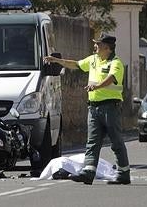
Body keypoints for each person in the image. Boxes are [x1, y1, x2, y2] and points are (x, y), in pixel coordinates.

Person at [43, 33, 130, 185]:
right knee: (92, 142)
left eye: (98, 44)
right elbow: (76, 64)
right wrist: (58, 61)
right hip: (94, 107)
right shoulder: (93, 60)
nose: (95, 46)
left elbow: (111, 79)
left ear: (107, 48)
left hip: (111, 107)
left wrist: (97, 86)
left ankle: (123, 173)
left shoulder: (116, 63)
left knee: (116, 141)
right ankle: (88, 172)